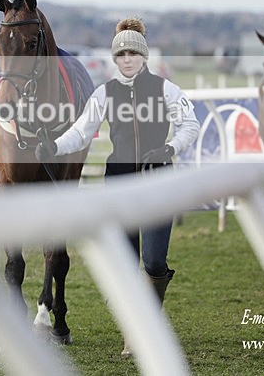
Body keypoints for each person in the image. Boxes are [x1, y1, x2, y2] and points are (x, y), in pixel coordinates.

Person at [36, 18, 200, 356]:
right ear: (115, 57)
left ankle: (145, 321)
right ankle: (135, 332)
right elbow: (81, 132)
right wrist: (53, 146)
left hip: (159, 184)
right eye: (121, 53)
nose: (127, 59)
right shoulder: (104, 94)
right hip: (119, 187)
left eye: (133, 52)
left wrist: (170, 148)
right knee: (125, 264)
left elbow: (190, 125)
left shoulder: (167, 89)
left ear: (144, 55)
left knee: (154, 262)